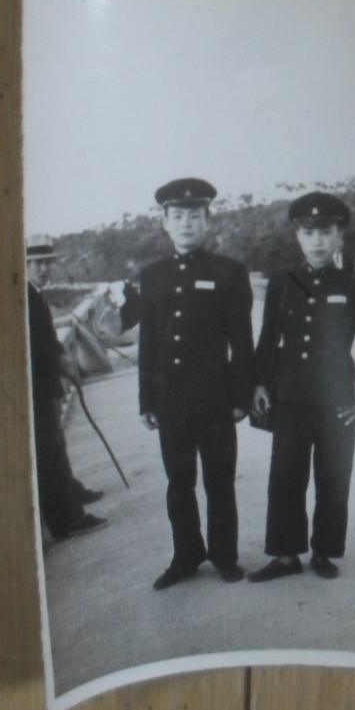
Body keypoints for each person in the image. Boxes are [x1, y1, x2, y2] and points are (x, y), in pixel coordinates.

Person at [248, 192, 355, 582]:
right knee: (285, 479)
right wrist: (259, 383)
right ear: (298, 237)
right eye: (309, 233)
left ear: (339, 238)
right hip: (290, 396)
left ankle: (324, 551)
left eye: (326, 232)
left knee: (333, 477)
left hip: (337, 400)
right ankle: (285, 555)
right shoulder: (282, 282)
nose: (317, 241)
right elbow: (267, 338)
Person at [138, 179, 255, 590]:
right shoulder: (151, 276)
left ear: (208, 222)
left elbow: (242, 340)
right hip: (170, 399)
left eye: (194, 216)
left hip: (215, 398)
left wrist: (241, 396)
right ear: (165, 223)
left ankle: (224, 555)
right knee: (179, 483)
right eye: (178, 216)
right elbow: (148, 342)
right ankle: (186, 555)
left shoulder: (229, 272)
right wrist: (146, 400)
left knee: (219, 482)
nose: (186, 223)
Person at [26, 235, 109, 540]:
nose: (44, 268)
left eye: (48, 262)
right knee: (50, 454)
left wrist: (59, 357)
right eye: (37, 263)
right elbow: (34, 345)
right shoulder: (24, 296)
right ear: (24, 265)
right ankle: (67, 521)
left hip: (47, 385)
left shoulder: (35, 293)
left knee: (56, 448)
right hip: (37, 390)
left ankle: (71, 493)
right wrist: (57, 359)